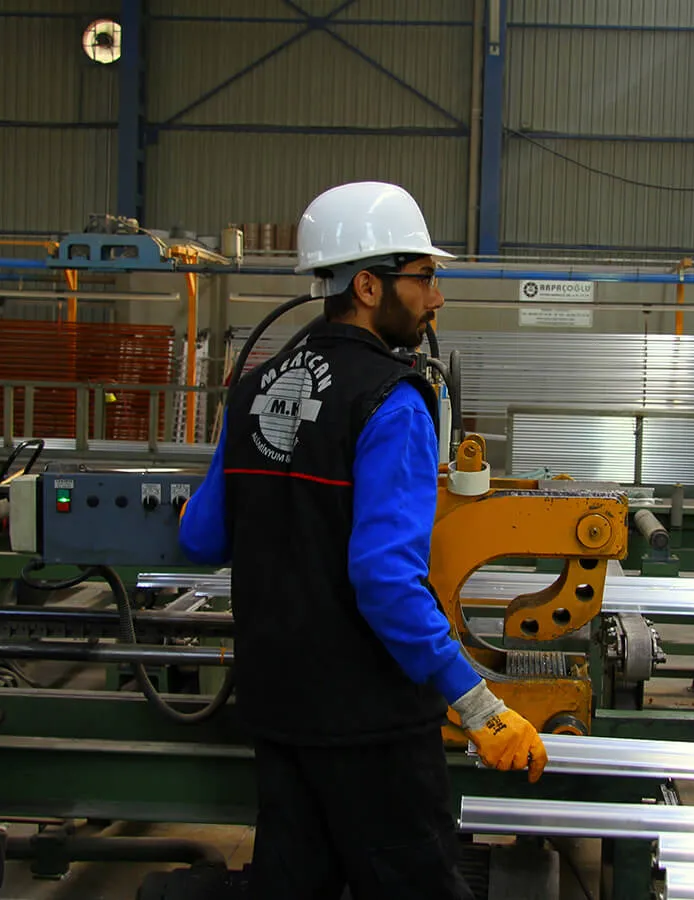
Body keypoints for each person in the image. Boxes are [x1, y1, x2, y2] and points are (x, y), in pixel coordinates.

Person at [178, 181, 548, 899]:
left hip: (278, 712)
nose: (437, 297)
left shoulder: (253, 390)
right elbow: (384, 580)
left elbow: (201, 535)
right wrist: (477, 706)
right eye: (424, 277)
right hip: (372, 727)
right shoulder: (392, 401)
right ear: (369, 285)